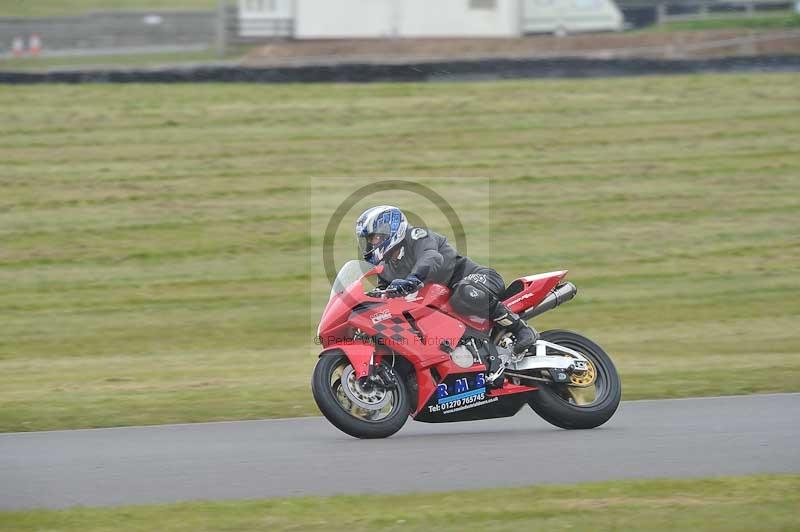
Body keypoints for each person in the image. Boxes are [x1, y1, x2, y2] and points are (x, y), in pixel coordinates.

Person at [355, 205, 538, 386]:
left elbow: (431, 257)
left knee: (463, 294)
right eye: (368, 240)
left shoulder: (417, 236)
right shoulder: (385, 268)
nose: (371, 244)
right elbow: (384, 297)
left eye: (375, 238)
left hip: (477, 279)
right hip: (443, 306)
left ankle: (522, 330)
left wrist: (414, 278)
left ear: (391, 229)